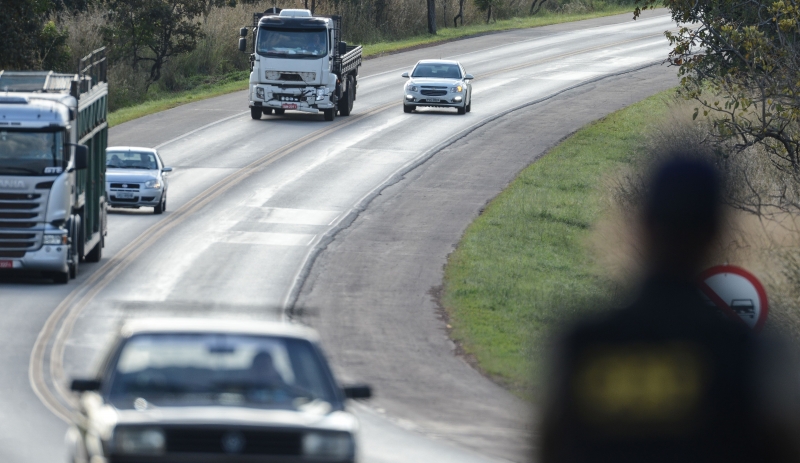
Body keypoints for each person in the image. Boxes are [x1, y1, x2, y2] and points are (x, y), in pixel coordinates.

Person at [537, 155, 800, 463]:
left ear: (644, 224)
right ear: (717, 231)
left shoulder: (583, 344)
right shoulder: (755, 354)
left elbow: (550, 444)